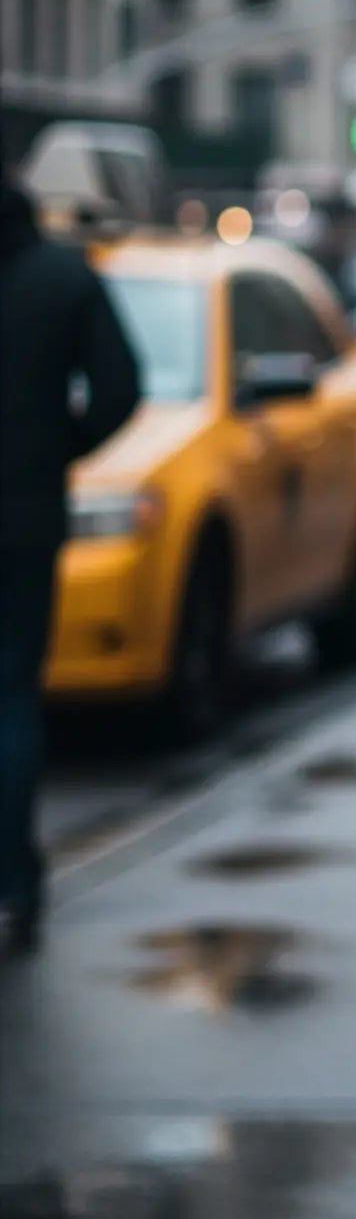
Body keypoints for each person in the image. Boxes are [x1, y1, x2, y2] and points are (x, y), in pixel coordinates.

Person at [0, 178, 142, 953]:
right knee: (13, 695)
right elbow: (121, 388)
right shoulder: (62, 278)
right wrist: (62, 446)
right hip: (25, 517)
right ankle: (13, 883)